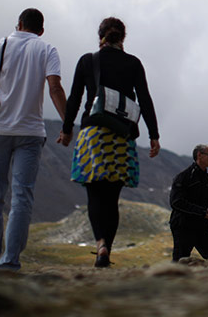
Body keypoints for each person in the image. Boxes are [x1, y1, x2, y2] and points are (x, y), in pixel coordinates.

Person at [58, 17, 160, 267]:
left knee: (94, 194)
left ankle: (100, 243)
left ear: (100, 36)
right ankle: (108, 251)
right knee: (112, 197)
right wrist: (153, 134)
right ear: (123, 38)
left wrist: (67, 128)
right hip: (121, 136)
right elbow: (145, 99)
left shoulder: (87, 61)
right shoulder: (134, 63)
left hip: (93, 133)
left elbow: (74, 98)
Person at [0, 8, 67, 271]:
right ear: (41, 30)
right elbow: (54, 88)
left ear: (18, 24)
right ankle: (10, 263)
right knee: (21, 198)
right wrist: (67, 123)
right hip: (30, 133)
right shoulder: (47, 49)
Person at [169, 144, 208, 262]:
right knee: (180, 262)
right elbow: (176, 202)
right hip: (183, 226)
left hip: (201, 227)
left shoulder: (207, 178)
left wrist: (206, 213)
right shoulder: (184, 176)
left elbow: (203, 204)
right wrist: (201, 212)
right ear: (199, 155)